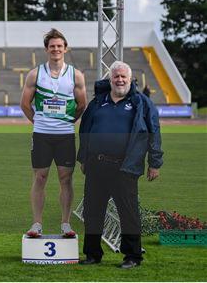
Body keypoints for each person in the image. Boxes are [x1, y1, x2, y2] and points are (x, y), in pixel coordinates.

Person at [77, 61, 163, 269]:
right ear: (110, 79)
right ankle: (92, 254)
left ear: (130, 79)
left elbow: (154, 132)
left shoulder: (141, 103)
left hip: (124, 167)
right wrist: (84, 158)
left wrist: (155, 163)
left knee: (128, 213)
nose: (120, 80)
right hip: (97, 166)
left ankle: (132, 256)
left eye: (124, 76)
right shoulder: (98, 102)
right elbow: (85, 130)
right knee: (92, 211)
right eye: (116, 76)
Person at [20, 28, 87, 238]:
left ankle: (65, 223)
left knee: (65, 179)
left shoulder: (76, 75)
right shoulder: (35, 73)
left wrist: (66, 123)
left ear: (65, 49)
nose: (56, 49)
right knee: (40, 177)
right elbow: (25, 104)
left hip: (65, 136)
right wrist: (39, 122)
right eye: (52, 46)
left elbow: (81, 105)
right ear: (47, 50)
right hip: (41, 135)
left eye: (59, 46)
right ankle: (37, 223)